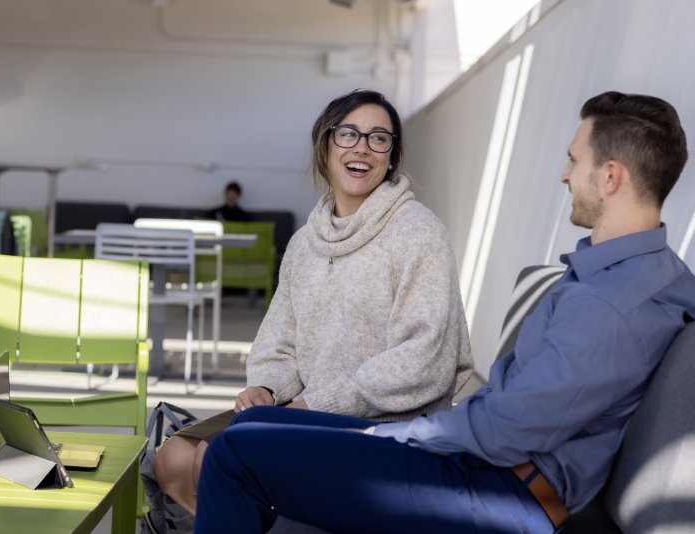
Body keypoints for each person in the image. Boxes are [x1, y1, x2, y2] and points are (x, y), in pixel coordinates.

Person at [192, 90, 695, 534]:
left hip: (498, 491)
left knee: (235, 454)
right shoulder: (634, 273)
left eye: (573, 160)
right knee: (252, 426)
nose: (563, 174)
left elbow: (507, 430)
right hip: (484, 466)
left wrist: (389, 435)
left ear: (610, 176)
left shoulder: (613, 303)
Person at [153, 89, 474, 520]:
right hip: (304, 410)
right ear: (325, 146)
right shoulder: (306, 243)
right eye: (348, 134)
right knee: (171, 457)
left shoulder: (419, 233)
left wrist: (313, 404)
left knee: (217, 453)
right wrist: (267, 387)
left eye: (379, 138)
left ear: (391, 156)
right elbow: (278, 341)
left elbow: (425, 362)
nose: (362, 147)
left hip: (387, 427)